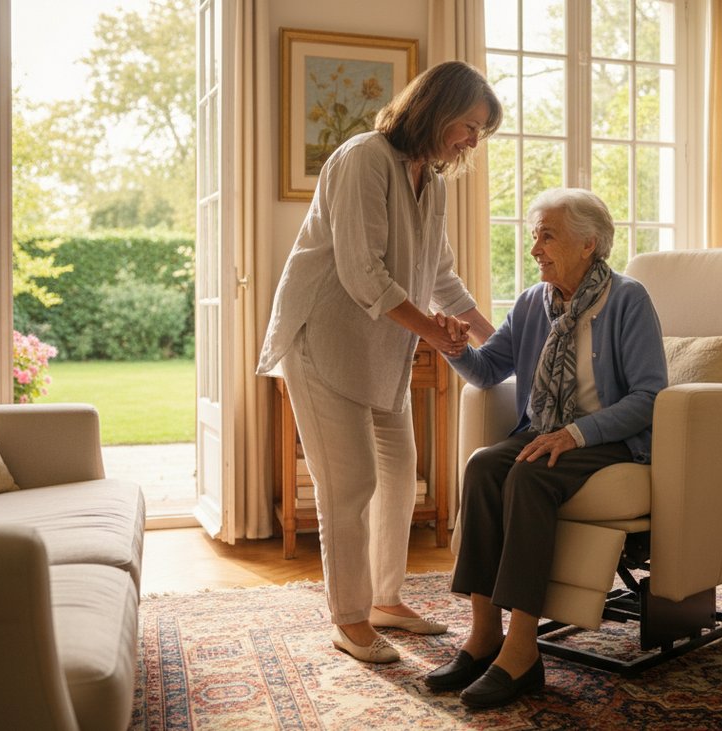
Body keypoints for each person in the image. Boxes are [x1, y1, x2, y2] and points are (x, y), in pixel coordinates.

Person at [255, 61, 503, 665]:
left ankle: (385, 600)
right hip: (324, 341)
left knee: (400, 476)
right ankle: (348, 617)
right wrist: (437, 337)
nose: (473, 141)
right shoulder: (364, 157)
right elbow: (362, 271)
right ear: (437, 109)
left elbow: (439, 275)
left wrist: (499, 343)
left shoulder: (433, 181)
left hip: (383, 350)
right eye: (470, 126)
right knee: (352, 482)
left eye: (480, 132)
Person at [423, 188, 667, 709]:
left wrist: (577, 433)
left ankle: (522, 649)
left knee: (529, 474)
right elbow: (489, 368)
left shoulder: (628, 299)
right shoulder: (533, 302)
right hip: (545, 430)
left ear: (589, 245)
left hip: (606, 438)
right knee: (486, 465)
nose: (535, 248)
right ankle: (484, 632)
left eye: (547, 236)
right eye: (535, 236)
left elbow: (649, 397)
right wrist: (454, 346)